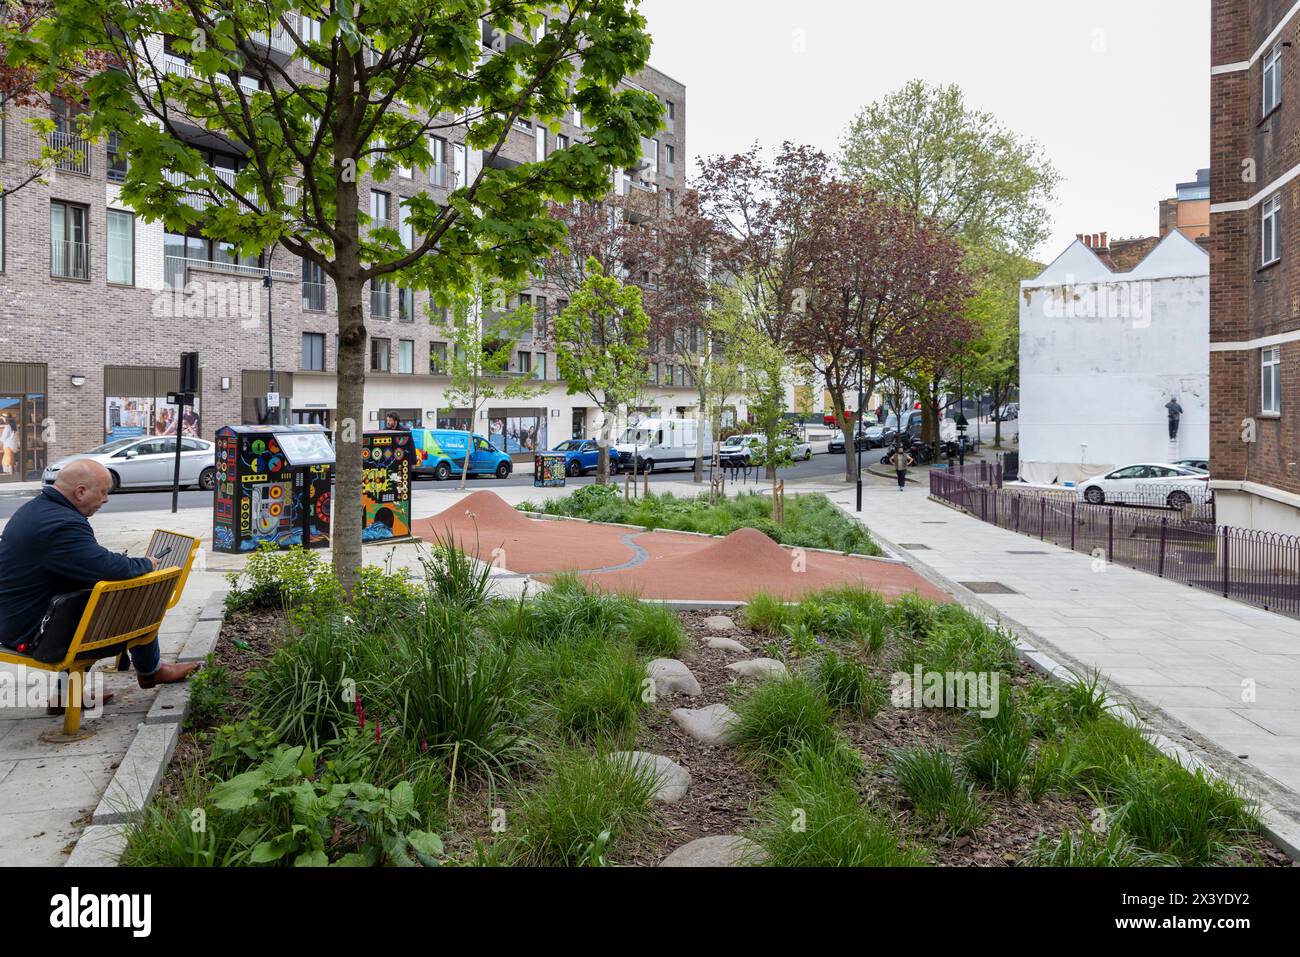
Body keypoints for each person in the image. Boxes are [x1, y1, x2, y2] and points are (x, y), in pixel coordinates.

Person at [0, 459, 200, 714]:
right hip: (33, 632)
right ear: (81, 491)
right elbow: (113, 569)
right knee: (139, 596)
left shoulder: (39, 509)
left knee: (94, 600)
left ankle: (64, 695)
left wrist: (117, 563)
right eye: (104, 492)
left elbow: (89, 562)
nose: (106, 499)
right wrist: (145, 563)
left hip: (18, 618)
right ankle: (151, 671)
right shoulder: (62, 524)